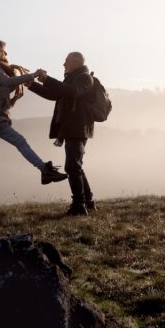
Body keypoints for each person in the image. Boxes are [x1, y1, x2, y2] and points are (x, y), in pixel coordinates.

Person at [0, 39, 67, 217]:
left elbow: (1, 88)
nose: (6, 54)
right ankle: (45, 170)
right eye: (4, 51)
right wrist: (33, 75)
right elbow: (6, 82)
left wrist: (19, 84)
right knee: (19, 141)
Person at [30, 51, 97, 216]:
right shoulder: (73, 78)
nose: (64, 64)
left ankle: (79, 206)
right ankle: (88, 202)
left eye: (66, 61)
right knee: (76, 166)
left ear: (76, 62)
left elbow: (73, 92)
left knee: (72, 166)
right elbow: (53, 94)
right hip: (72, 127)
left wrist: (47, 79)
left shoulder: (84, 78)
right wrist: (31, 85)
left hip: (77, 128)